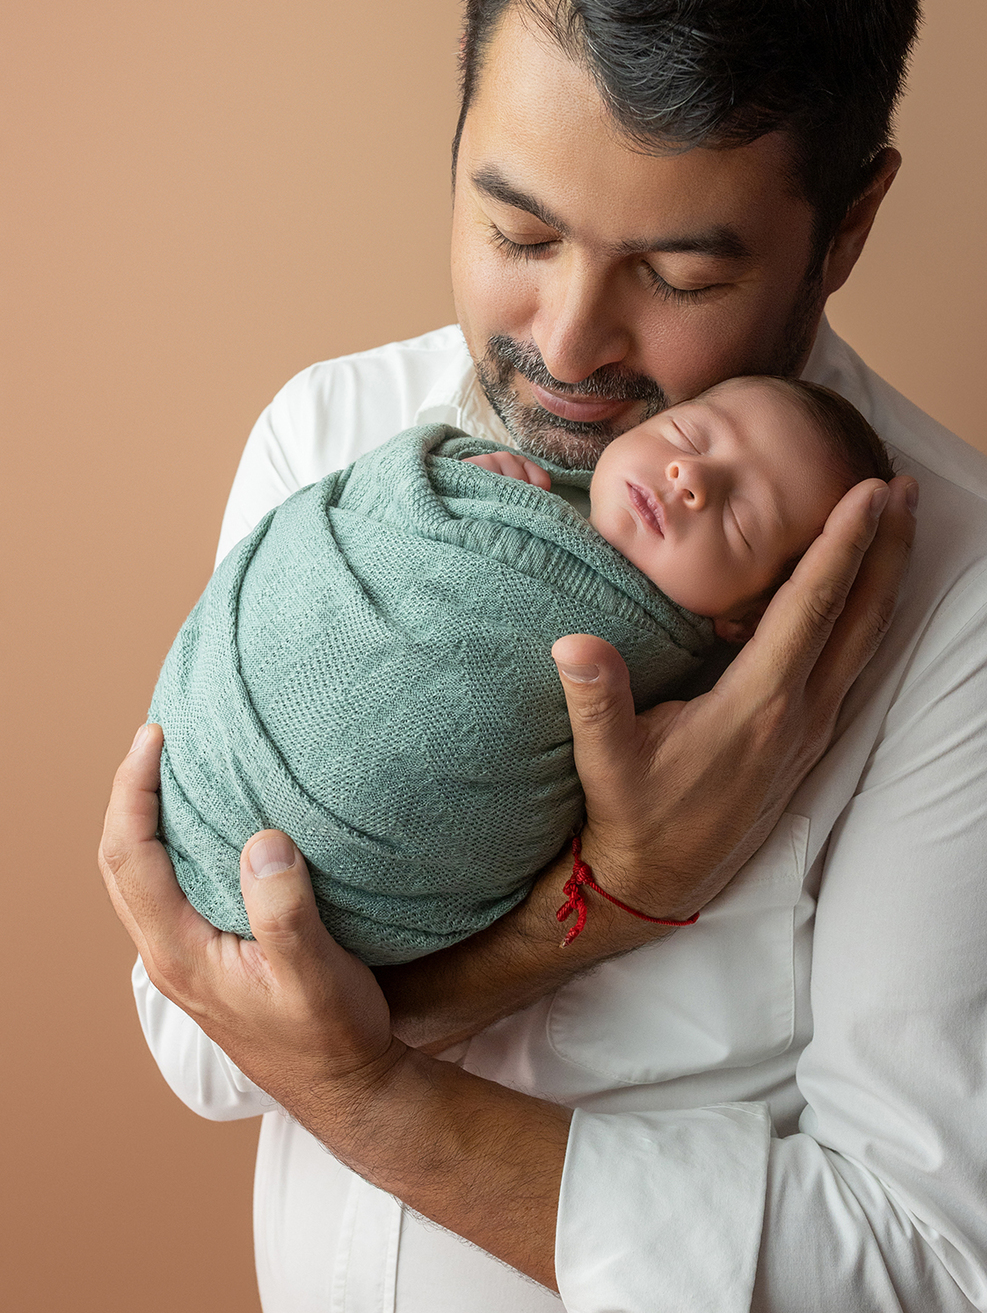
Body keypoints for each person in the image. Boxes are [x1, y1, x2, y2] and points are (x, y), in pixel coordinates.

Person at [100, 0, 987, 1313]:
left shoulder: (983, 612)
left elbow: (924, 1311)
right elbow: (191, 1029)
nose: (568, 342)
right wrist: (606, 905)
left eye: (681, 274)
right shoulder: (332, 442)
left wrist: (371, 1095)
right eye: (515, 227)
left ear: (843, 229)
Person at [150, 376, 893, 966]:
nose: (690, 477)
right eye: (688, 434)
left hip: (358, 879)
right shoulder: (357, 421)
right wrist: (473, 479)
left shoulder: (685, 700)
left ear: (748, 620)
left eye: (739, 517)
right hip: (209, 741)